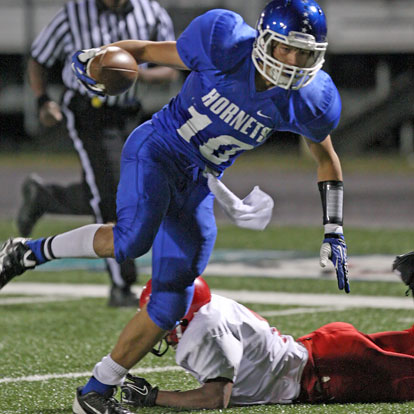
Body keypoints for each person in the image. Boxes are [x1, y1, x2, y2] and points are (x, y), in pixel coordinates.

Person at [0, 1, 350, 412]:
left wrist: (334, 228)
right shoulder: (224, 43)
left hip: (199, 179)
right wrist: (98, 58)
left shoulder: (311, 99)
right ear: (263, 39)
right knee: (132, 239)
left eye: (304, 53)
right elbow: (145, 52)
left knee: (171, 301)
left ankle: (95, 391)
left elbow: (327, 159)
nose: (293, 62)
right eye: (285, 48)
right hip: (158, 148)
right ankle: (29, 252)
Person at [18, 0, 178, 307]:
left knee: (118, 188)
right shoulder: (75, 13)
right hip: (87, 111)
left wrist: (133, 74)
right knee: (111, 195)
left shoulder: (151, 12)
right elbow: (38, 58)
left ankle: (44, 196)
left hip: (130, 112)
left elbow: (170, 71)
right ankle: (122, 285)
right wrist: (42, 101)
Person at [118, 277, 414, 409]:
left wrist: (152, 396)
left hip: (329, 372)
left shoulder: (204, 330)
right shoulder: (208, 306)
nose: (154, 325)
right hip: (329, 349)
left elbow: (214, 398)